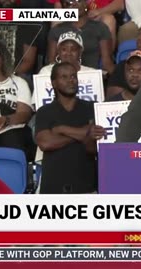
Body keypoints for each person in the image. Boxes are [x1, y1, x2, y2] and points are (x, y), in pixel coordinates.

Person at [35, 62, 106, 194]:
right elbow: (45, 143)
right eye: (64, 77)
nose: (70, 81)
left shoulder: (91, 107)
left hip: (86, 186)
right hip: (53, 187)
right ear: (54, 83)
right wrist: (83, 132)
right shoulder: (44, 111)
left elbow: (92, 146)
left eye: (73, 76)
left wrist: (61, 129)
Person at [47, 0, 115, 75]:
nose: (74, 5)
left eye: (78, 1)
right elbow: (51, 62)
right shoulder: (56, 31)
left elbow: (107, 63)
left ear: (86, 4)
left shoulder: (100, 28)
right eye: (69, 3)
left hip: (90, 77)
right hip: (63, 77)